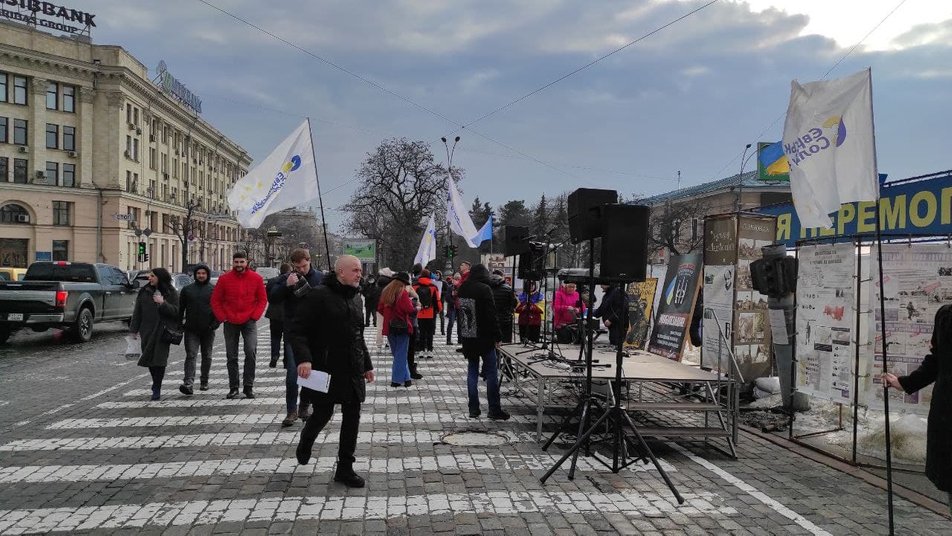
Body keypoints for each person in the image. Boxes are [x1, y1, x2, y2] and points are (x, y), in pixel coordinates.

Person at [290, 255, 375, 488]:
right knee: (322, 414)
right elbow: (297, 331)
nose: (360, 274)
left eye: (360, 270)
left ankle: (345, 468)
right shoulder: (318, 296)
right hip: (326, 367)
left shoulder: (357, 298)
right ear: (341, 272)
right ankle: (306, 439)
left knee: (352, 417)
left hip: (352, 368)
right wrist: (304, 359)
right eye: (355, 270)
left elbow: (358, 335)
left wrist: (367, 364)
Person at [882, 304, 952, 512]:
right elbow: (938, 360)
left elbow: (936, 360)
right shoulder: (947, 317)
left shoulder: (946, 316)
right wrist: (905, 383)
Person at [268, 249, 324, 426]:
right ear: (293, 265)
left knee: (311, 373)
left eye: (305, 266)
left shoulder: (321, 278)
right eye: (298, 267)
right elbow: (273, 297)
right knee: (293, 373)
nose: (302, 270)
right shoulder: (287, 278)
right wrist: (287, 285)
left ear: (310, 261)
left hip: (316, 332)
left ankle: (305, 406)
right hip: (294, 332)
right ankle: (291, 410)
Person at [211, 251, 268, 400]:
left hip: (249, 321)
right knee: (231, 355)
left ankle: (248, 386)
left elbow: (262, 299)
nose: (239, 265)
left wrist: (255, 316)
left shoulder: (256, 278)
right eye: (236, 262)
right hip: (230, 321)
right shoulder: (224, 279)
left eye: (241, 262)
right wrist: (222, 317)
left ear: (246, 262)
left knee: (250, 352)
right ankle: (234, 387)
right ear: (233, 262)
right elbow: (215, 300)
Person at [457, 263, 510, 420]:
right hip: (485, 337)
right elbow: (491, 315)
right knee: (491, 373)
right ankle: (494, 409)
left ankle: (473, 408)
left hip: (469, 337)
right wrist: (498, 336)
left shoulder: (463, 288)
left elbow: (464, 315)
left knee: (472, 372)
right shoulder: (485, 289)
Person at [130, 268, 180, 401]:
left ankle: (157, 387)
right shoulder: (144, 292)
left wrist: (163, 303)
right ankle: (155, 382)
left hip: (163, 331)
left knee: (160, 360)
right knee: (149, 359)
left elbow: (177, 312)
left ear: (160, 277)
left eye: (152, 276)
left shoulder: (171, 292)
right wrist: (134, 330)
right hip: (147, 330)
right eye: (149, 276)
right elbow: (137, 312)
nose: (149, 278)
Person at [177, 264, 220, 394]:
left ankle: (204, 381)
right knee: (191, 355)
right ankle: (188, 383)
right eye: (199, 273)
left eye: (203, 273)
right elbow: (181, 308)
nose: (201, 275)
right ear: (195, 275)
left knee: (207, 356)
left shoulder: (213, 290)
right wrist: (180, 323)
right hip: (191, 329)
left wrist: (215, 324)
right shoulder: (187, 290)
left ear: (207, 275)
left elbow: (218, 309)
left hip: (208, 329)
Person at [378, 272, 417, 387]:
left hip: (389, 327)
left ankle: (407, 378)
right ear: (403, 283)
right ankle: (396, 380)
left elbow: (380, 308)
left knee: (397, 354)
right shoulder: (402, 293)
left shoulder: (386, 291)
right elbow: (409, 309)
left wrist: (389, 316)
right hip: (403, 327)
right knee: (401, 354)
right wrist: (417, 308)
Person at [266, 263, 292, 368]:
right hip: (286, 313)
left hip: (274, 313)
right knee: (287, 338)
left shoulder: (272, 281)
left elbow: (269, 296)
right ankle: (286, 360)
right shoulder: (290, 280)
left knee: (275, 337)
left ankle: (274, 356)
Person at [413, 269, 442, 359]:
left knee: (421, 332)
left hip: (420, 312)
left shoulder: (415, 286)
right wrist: (438, 310)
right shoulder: (433, 287)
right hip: (430, 312)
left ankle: (421, 350)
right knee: (430, 332)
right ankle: (429, 350)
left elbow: (412, 299)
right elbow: (437, 300)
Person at [593, 283, 630, 347]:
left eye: (602, 284)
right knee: (612, 342)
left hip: (618, 324)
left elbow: (623, 308)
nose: (601, 286)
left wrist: (611, 320)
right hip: (611, 326)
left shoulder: (617, 292)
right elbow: (602, 309)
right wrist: (590, 314)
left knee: (616, 343)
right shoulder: (607, 295)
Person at [489, 269, 517, 344]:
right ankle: (504, 354)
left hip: (490, 319)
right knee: (505, 341)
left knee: (491, 340)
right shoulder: (508, 289)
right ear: (502, 277)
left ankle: (494, 354)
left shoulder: (487, 288)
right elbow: (514, 303)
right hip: (505, 319)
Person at [445, 272, 461, 345]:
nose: (457, 280)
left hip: (460, 307)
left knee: (460, 324)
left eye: (458, 279)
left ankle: (460, 339)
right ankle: (448, 340)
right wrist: (453, 302)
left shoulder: (462, 287)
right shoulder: (450, 287)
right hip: (452, 307)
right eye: (455, 279)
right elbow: (447, 297)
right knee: (451, 323)